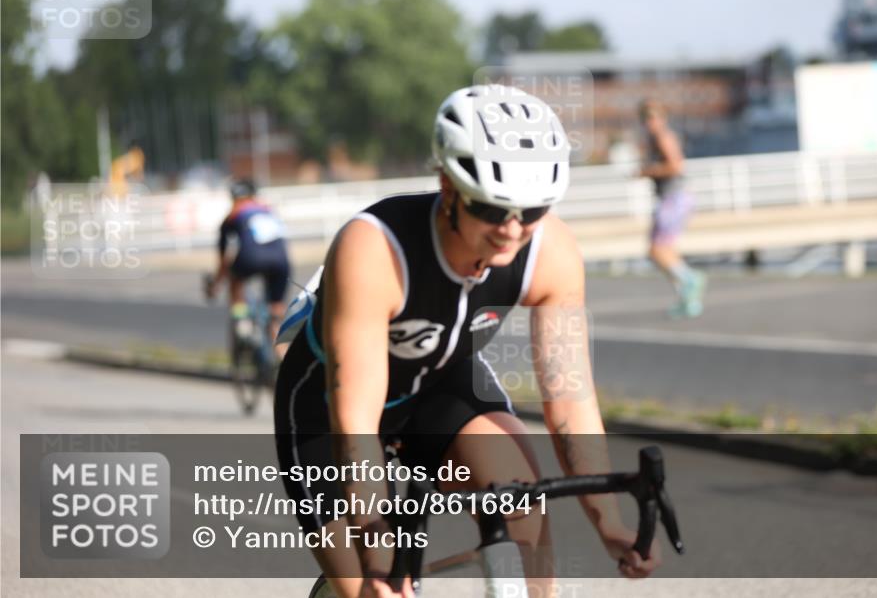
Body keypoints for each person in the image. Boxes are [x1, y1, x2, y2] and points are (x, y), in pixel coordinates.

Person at [274, 85, 662, 598]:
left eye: (531, 210)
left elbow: (569, 397)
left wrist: (607, 521)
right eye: (492, 209)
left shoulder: (552, 252)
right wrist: (375, 549)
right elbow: (356, 421)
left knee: (521, 506)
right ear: (447, 186)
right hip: (328, 410)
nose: (511, 229)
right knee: (374, 587)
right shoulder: (373, 249)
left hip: (442, 384)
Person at [205, 178, 291, 356]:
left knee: (235, 280)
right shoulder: (268, 210)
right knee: (275, 309)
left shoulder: (233, 214)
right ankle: (282, 356)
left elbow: (223, 260)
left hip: (250, 258)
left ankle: (241, 323)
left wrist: (215, 285)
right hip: (281, 260)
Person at [638, 99, 706, 317]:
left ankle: (689, 280)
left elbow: (675, 165)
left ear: (662, 118)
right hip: (672, 197)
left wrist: (648, 171)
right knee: (667, 250)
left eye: (654, 116)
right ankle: (688, 301)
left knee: (657, 250)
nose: (650, 122)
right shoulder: (654, 138)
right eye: (646, 117)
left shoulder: (663, 136)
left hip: (674, 197)